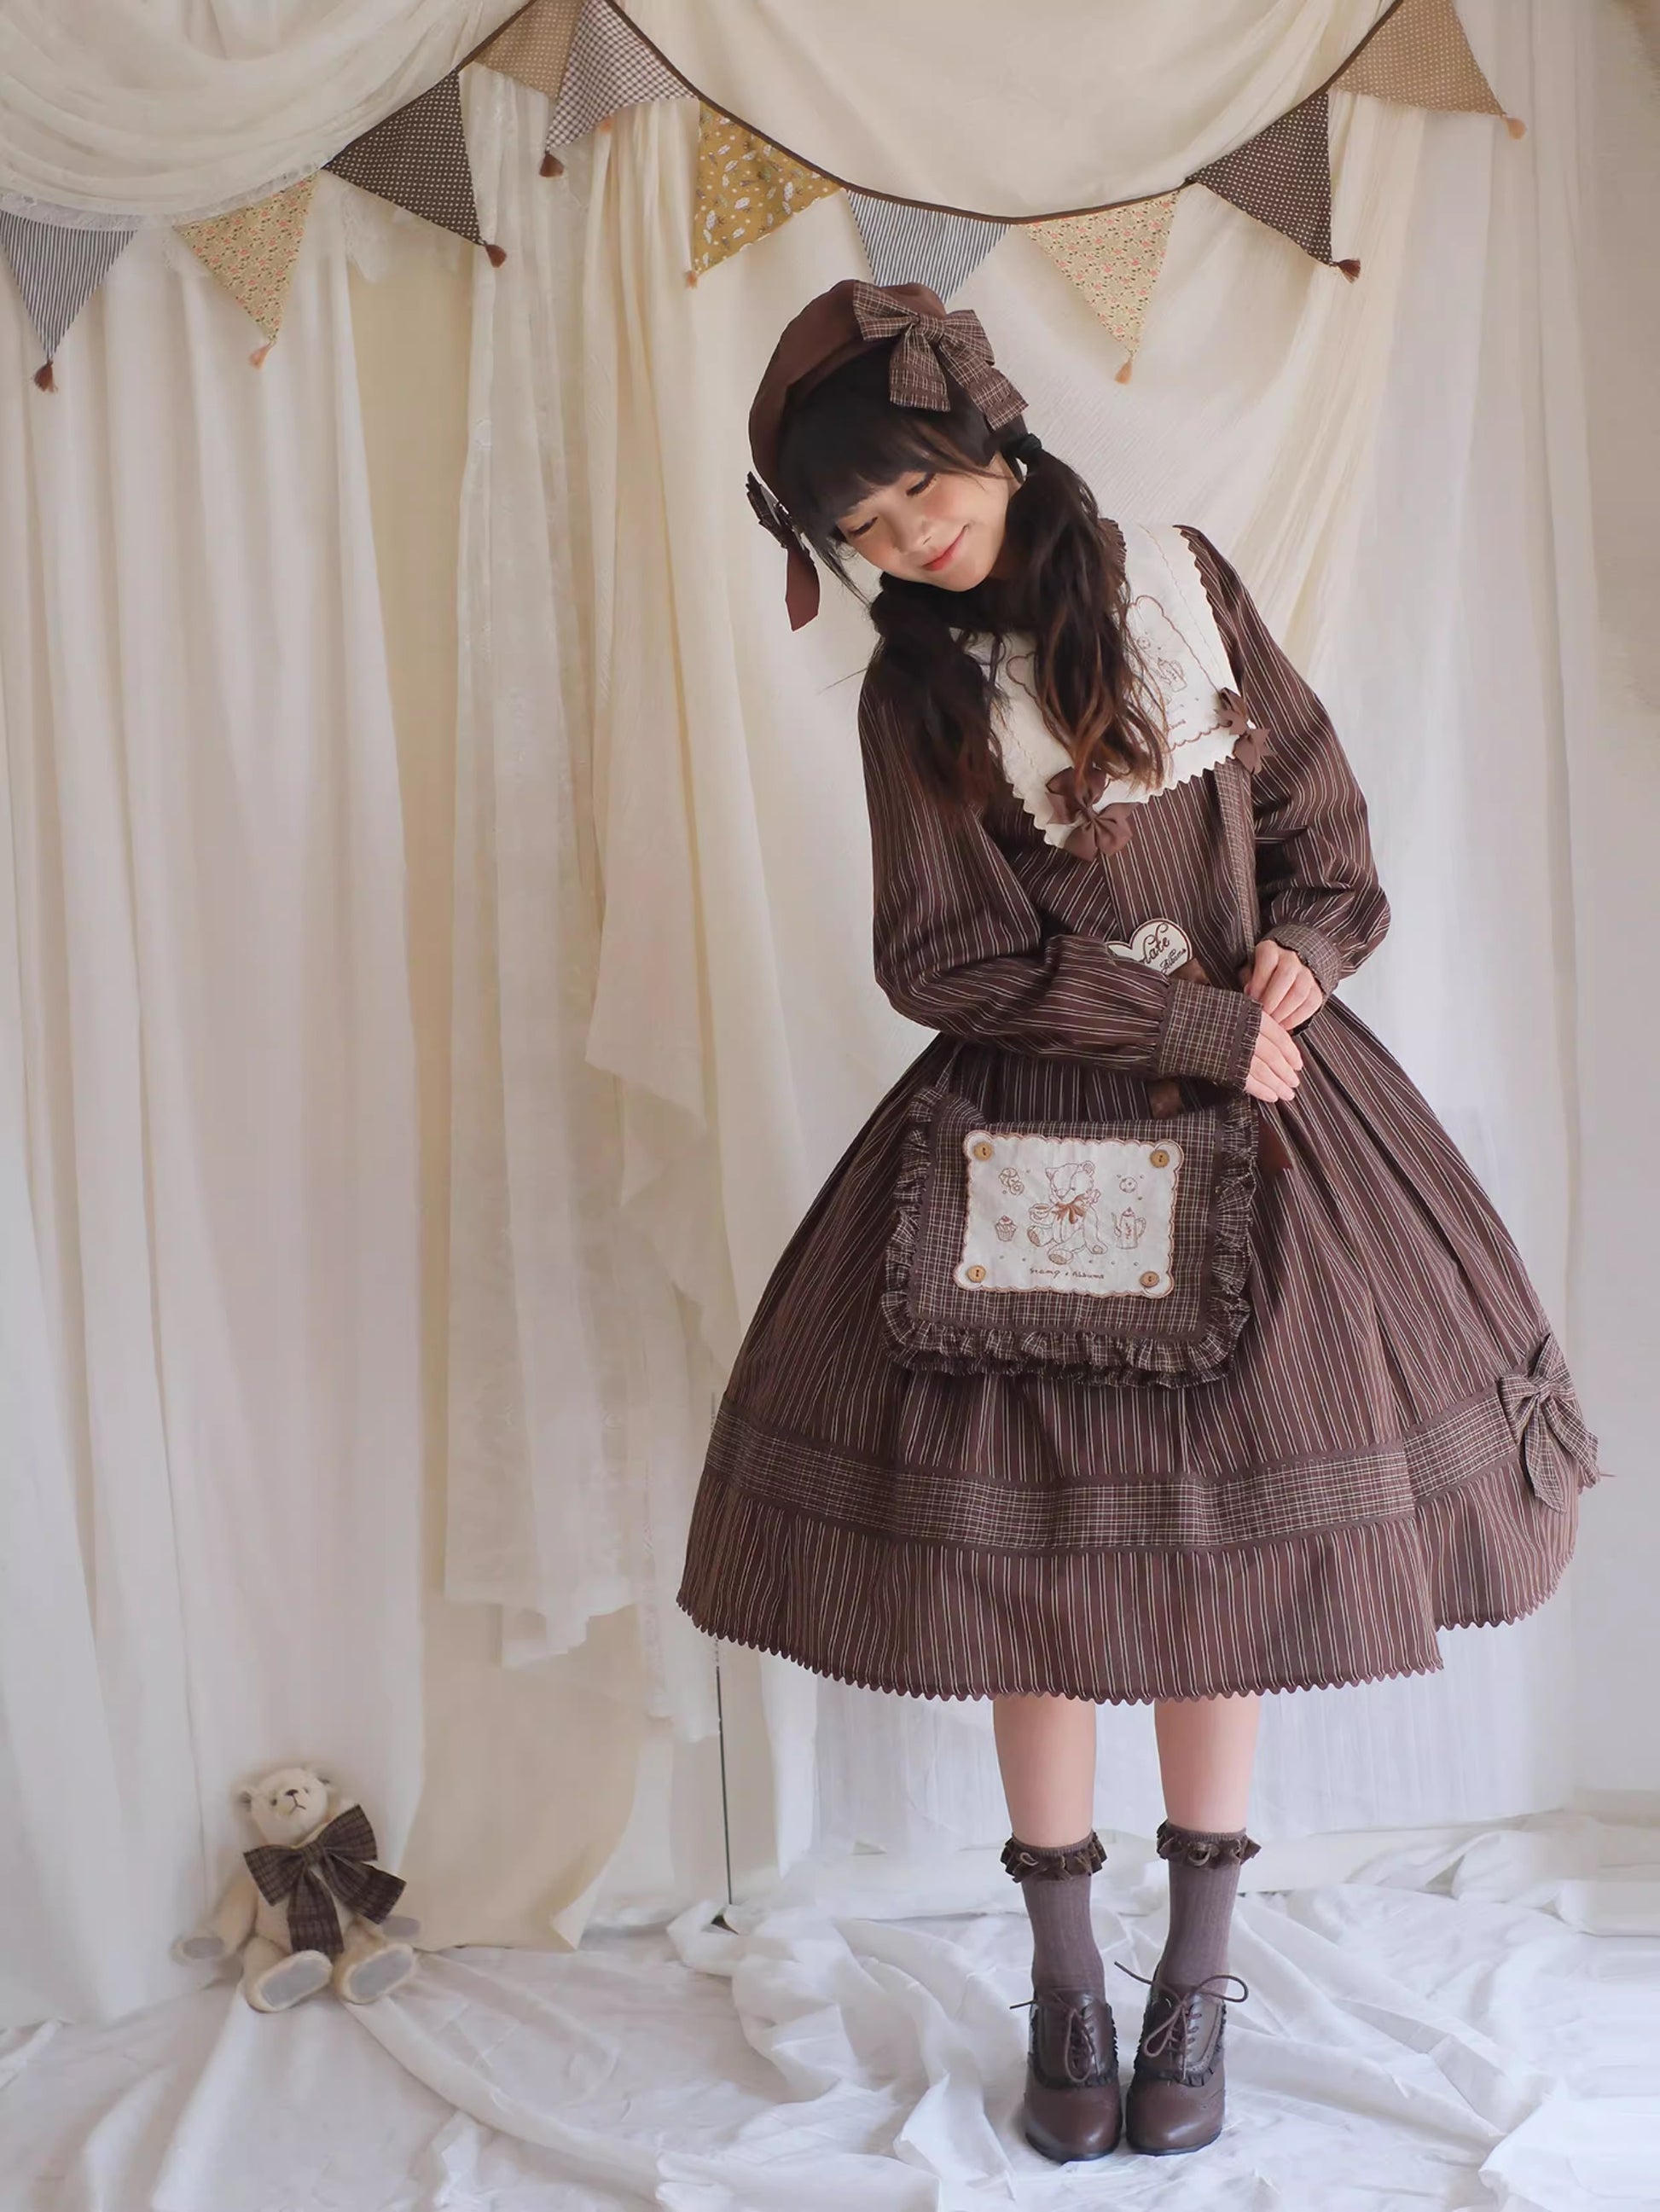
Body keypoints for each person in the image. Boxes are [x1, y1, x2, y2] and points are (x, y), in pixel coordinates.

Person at [676, 278, 1605, 2164]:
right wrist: (1178, 1026)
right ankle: (1065, 1984)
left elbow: (1327, 834)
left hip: (1271, 1131)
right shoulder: (915, 693)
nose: (911, 533)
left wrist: (1301, 960)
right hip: (1033, 1146)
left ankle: (1194, 1973)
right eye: (865, 526)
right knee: (1034, 1568)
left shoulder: (1180, 580)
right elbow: (939, 956)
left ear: (989, 434)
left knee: (1215, 1569)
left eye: (919, 483)